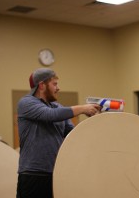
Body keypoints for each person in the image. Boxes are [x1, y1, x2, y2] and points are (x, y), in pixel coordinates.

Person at [16, 68, 101, 198]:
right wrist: (83, 108)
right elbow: (50, 115)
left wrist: (96, 119)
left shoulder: (57, 107)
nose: (58, 88)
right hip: (33, 174)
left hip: (56, 174)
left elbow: (73, 134)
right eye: (54, 84)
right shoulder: (26, 103)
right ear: (42, 85)